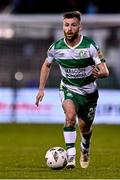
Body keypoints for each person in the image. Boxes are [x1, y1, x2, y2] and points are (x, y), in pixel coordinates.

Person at [35, 11, 109, 169]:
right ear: (63, 26)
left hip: (89, 94)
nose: (69, 28)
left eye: (73, 25)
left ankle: (85, 148)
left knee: (85, 129)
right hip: (68, 88)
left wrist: (101, 73)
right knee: (69, 116)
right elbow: (46, 65)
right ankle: (70, 157)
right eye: (66, 25)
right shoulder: (56, 47)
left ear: (79, 27)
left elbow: (105, 70)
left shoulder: (90, 45)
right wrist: (41, 89)